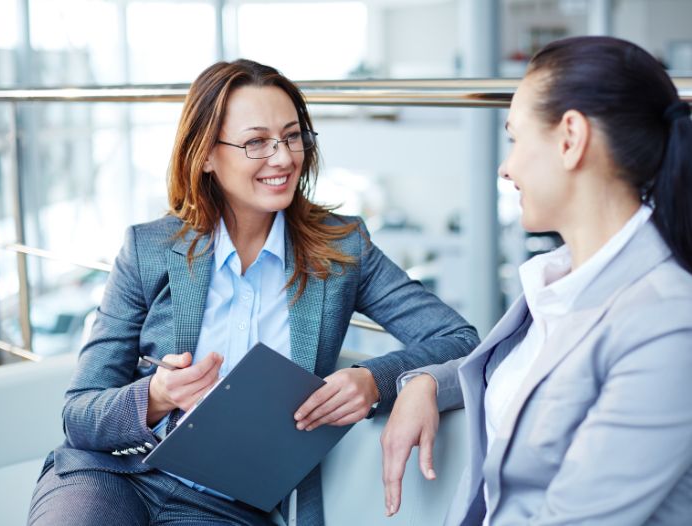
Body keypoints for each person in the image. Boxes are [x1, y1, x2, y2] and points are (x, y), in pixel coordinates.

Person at [27, 59, 479, 526]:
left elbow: (461, 339)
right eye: (256, 142)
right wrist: (156, 396)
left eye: (292, 136)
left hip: (226, 504)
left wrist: (375, 381)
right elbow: (79, 414)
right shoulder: (149, 250)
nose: (283, 158)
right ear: (205, 154)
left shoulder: (343, 249)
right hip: (113, 474)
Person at [380, 36, 692, 525]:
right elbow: (531, 377)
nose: (506, 167)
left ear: (570, 138)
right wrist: (427, 382)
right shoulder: (562, 280)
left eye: (515, 138)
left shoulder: (668, 324)